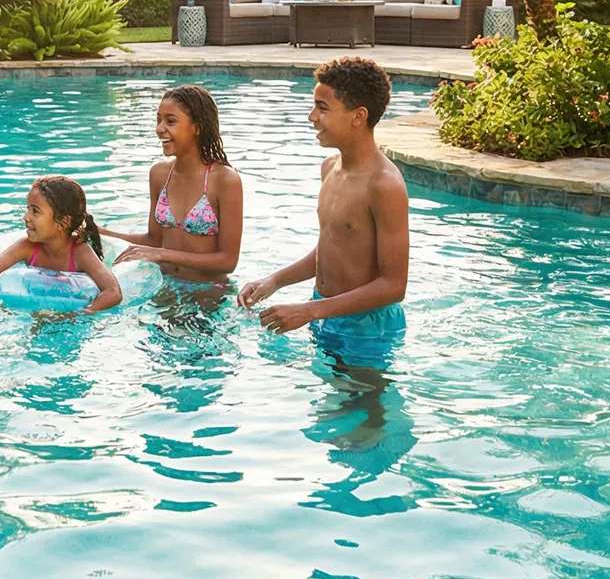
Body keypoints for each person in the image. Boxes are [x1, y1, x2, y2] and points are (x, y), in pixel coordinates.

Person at [236, 57, 409, 363]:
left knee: (365, 408)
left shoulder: (384, 185)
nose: (311, 116)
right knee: (331, 408)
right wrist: (275, 281)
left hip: (366, 329)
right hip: (324, 311)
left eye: (322, 108)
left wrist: (308, 311)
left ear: (358, 116)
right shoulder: (330, 167)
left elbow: (394, 286)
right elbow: (335, 247)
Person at [102, 84, 245, 282]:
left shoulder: (225, 179)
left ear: (197, 127)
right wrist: (98, 231)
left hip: (208, 294)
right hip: (165, 287)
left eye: (170, 121)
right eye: (159, 120)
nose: (159, 129)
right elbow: (153, 240)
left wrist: (162, 254)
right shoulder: (159, 174)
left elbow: (228, 261)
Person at [0, 175, 122, 314]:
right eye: (28, 209)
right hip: (33, 310)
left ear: (63, 222)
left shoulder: (80, 252)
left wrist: (80, 314)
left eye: (35, 211)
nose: (26, 217)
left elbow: (113, 291)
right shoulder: (27, 247)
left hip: (73, 315)